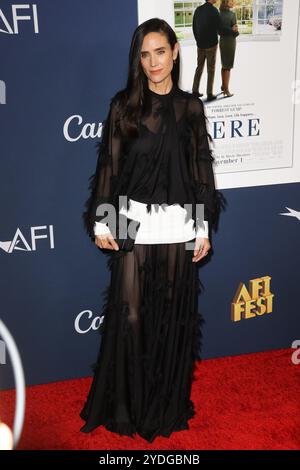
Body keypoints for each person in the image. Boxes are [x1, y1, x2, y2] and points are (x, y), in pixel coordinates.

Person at [80, 18, 225, 443]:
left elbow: (202, 171)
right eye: (144, 55)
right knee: (130, 316)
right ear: (137, 59)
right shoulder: (123, 106)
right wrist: (104, 220)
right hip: (133, 220)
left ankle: (166, 403)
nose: (152, 62)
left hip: (178, 224)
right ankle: (126, 408)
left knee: (173, 321)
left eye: (160, 52)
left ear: (176, 52)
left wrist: (202, 227)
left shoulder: (191, 108)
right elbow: (109, 167)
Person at [192, 0, 238, 101]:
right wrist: (232, 30)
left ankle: (194, 91)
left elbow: (194, 27)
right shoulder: (214, 11)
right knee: (211, 69)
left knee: (199, 67)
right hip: (211, 45)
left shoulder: (198, 10)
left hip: (200, 44)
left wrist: (198, 40)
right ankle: (209, 94)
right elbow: (220, 29)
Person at [219, 0, 239, 97]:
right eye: (231, 0)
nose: (233, 2)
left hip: (222, 41)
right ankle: (226, 90)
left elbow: (219, 31)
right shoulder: (232, 14)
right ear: (226, 2)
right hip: (230, 42)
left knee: (224, 65)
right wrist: (234, 30)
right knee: (228, 66)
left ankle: (224, 86)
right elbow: (235, 32)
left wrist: (233, 30)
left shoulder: (218, 14)